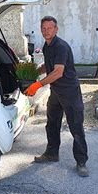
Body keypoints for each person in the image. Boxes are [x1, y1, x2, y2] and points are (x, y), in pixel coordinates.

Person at [25, 16, 89, 177]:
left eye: (50, 28)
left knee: (76, 126)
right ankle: (52, 153)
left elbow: (58, 72)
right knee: (52, 123)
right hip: (56, 92)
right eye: (44, 28)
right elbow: (48, 65)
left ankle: (81, 162)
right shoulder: (47, 46)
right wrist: (33, 72)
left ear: (56, 29)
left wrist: (38, 85)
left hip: (69, 92)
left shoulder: (61, 46)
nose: (46, 31)